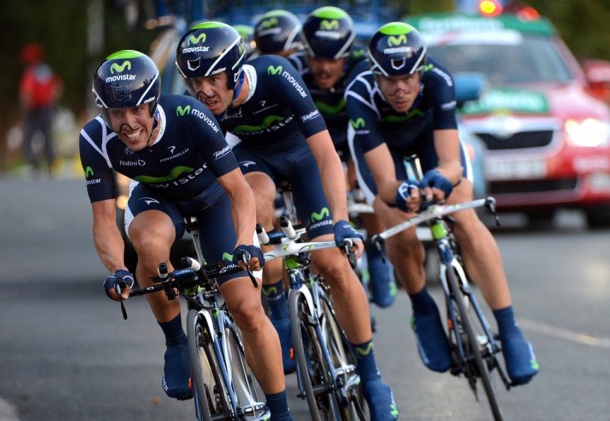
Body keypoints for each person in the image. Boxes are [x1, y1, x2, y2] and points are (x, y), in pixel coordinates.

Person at [176, 22, 399, 420]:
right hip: (254, 162)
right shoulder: (202, 111)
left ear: (234, 69)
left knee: (332, 262)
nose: (203, 91)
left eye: (212, 78)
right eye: (194, 81)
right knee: (254, 193)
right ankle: (277, 301)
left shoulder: (276, 76)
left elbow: (328, 156)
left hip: (302, 159)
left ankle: (372, 375)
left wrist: (342, 220)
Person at [80, 50, 293, 419]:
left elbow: (239, 191)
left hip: (212, 200)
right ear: (105, 113)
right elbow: (102, 220)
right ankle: (176, 341)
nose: (128, 123)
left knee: (246, 308)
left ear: (153, 103)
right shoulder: (95, 138)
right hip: (157, 201)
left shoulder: (189, 115)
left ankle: (282, 412)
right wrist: (117, 269)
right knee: (145, 243)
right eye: (117, 113)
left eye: (136, 110)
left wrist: (245, 240)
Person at [345, 22, 540, 385]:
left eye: (408, 78)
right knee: (398, 227)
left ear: (422, 72)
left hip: (429, 139)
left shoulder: (439, 79)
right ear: (375, 75)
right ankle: (423, 309)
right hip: (383, 147)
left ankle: (510, 330)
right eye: (389, 79)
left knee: (463, 215)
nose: (400, 88)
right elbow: (386, 183)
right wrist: (402, 193)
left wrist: (440, 179)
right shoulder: (359, 94)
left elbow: (451, 162)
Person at [289, 5, 396, 308]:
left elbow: (369, 125)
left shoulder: (362, 67)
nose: (324, 68)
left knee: (364, 187)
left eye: (334, 58)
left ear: (348, 54)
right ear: (305, 53)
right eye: (317, 58)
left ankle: (377, 251)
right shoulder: (294, 68)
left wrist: (353, 171)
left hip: (355, 135)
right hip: (314, 141)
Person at [19, 42, 62, 177]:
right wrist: (52, 101)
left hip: (34, 109)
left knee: (28, 135)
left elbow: (26, 91)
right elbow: (58, 86)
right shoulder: (46, 70)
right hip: (46, 108)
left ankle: (34, 163)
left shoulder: (31, 72)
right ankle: (49, 163)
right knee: (47, 136)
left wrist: (25, 107)